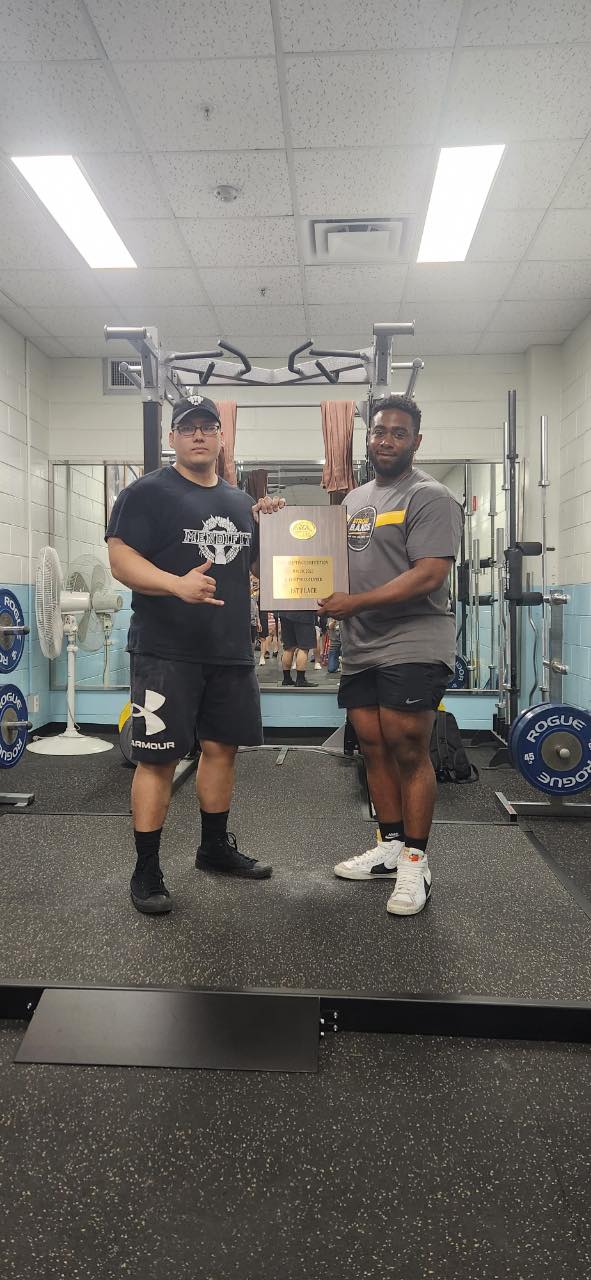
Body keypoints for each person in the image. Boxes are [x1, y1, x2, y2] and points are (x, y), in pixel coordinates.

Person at [106, 393, 284, 915]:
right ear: (173, 439)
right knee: (157, 760)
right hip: (166, 651)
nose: (199, 434)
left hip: (229, 651)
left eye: (208, 427)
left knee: (222, 750)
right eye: (189, 428)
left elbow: (257, 570)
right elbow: (119, 560)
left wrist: (271, 521)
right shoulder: (146, 493)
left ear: (222, 438)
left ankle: (212, 847)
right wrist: (173, 585)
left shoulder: (235, 501)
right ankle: (146, 868)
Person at [318, 393, 463, 917]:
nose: (386, 440)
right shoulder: (354, 501)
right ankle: (389, 844)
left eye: (398, 433)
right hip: (361, 643)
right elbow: (326, 564)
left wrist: (352, 602)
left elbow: (428, 574)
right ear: (368, 435)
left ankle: (416, 862)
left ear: (416, 442)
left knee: (407, 746)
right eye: (380, 431)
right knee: (373, 748)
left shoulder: (431, 496)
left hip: (414, 637)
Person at [279, 610, 318, 687]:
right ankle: (300, 679)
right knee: (304, 647)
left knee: (288, 647)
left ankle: (286, 678)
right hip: (303, 614)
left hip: (284, 613)